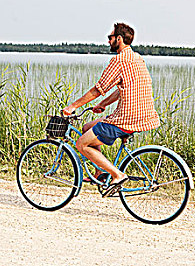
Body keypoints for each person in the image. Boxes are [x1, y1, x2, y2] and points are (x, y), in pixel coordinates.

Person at [62, 22, 160, 196]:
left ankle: (117, 175)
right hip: (143, 117)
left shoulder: (119, 60)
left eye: (110, 37)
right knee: (87, 128)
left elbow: (98, 89)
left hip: (125, 120)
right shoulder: (137, 58)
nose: (108, 41)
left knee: (81, 144)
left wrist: (72, 106)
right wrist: (103, 105)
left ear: (119, 39)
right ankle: (100, 173)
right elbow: (122, 88)